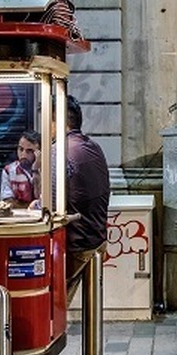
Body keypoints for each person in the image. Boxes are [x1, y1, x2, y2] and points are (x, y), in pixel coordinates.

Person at [62, 96, 110, 297]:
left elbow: (49, 200)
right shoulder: (93, 146)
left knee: (56, 308)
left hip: (78, 243)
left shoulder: (61, 151)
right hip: (96, 237)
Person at [0, 131, 41, 207]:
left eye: (29, 151)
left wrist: (35, 170)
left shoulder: (48, 171)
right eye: (21, 149)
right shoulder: (9, 171)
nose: (23, 154)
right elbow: (7, 202)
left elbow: (44, 200)